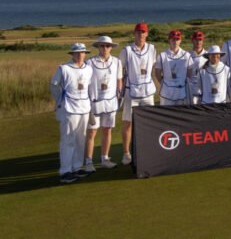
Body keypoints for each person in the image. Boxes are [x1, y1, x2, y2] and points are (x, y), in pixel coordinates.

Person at [50, 43, 94, 183]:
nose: (80, 55)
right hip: (69, 107)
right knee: (68, 139)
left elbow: (89, 87)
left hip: (84, 107)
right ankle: (65, 171)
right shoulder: (63, 68)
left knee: (81, 139)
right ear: (72, 54)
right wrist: (60, 100)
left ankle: (76, 167)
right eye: (77, 53)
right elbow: (54, 85)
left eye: (82, 52)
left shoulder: (88, 69)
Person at [118, 22, 157, 165]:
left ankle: (149, 149)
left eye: (143, 32)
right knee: (128, 123)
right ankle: (126, 153)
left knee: (149, 121)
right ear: (134, 33)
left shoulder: (152, 48)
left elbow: (153, 67)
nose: (141, 34)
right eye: (138, 32)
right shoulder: (126, 50)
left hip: (147, 92)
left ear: (147, 34)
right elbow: (119, 71)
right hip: (130, 92)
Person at [85, 37, 121, 171]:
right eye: (102, 46)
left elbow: (119, 80)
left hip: (111, 103)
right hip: (94, 103)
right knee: (91, 133)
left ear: (111, 47)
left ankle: (105, 158)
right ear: (98, 47)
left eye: (107, 46)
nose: (105, 48)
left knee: (107, 130)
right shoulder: (90, 62)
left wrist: (119, 93)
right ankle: (88, 162)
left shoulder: (117, 62)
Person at [155, 30, 192, 106]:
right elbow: (157, 72)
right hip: (166, 94)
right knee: (166, 116)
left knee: (180, 115)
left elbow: (189, 73)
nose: (175, 42)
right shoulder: (162, 55)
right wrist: (164, 83)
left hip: (181, 93)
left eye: (177, 39)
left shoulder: (187, 55)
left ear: (180, 40)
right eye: (173, 39)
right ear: (169, 40)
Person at [186, 30, 207, 105]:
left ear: (203, 40)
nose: (198, 42)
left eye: (200, 40)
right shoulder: (187, 55)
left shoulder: (208, 55)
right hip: (190, 92)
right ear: (192, 40)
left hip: (205, 92)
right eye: (196, 40)